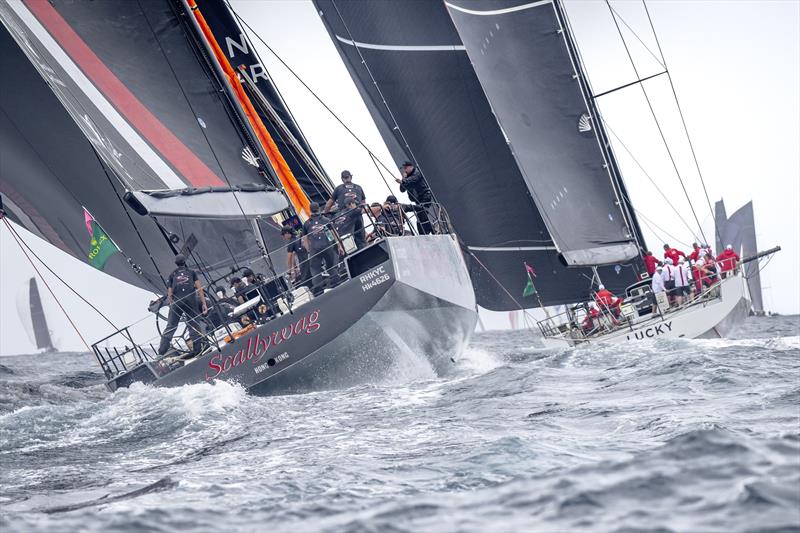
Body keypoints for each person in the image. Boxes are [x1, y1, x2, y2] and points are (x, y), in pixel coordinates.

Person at [158, 254, 208, 356]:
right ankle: (197, 350)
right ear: (185, 262)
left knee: (171, 326)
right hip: (190, 300)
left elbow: (170, 294)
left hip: (177, 302)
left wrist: (173, 307)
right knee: (193, 324)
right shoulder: (191, 272)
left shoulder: (172, 274)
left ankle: (161, 352)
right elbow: (199, 289)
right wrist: (203, 303)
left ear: (176, 264)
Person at [303, 202, 341, 296]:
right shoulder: (325, 220)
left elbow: (305, 240)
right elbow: (333, 233)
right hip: (327, 246)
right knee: (331, 266)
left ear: (310, 210)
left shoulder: (306, 224)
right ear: (319, 209)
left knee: (315, 270)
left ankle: (318, 292)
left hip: (314, 249)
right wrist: (339, 245)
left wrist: (309, 251)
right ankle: (337, 284)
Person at [325, 170, 366, 248]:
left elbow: (329, 204)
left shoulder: (339, 188)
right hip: (358, 213)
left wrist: (325, 213)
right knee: (361, 237)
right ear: (351, 177)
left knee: (347, 237)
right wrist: (361, 210)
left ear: (342, 179)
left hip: (346, 215)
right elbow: (364, 202)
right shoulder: (359, 187)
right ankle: (364, 250)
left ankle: (350, 254)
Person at [395, 161, 433, 234]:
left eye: (406, 168)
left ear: (411, 167)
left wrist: (403, 181)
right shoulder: (407, 179)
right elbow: (402, 189)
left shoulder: (417, 173)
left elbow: (413, 180)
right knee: (420, 217)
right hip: (417, 200)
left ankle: (430, 229)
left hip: (425, 197)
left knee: (422, 212)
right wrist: (403, 178)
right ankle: (425, 233)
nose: (404, 170)